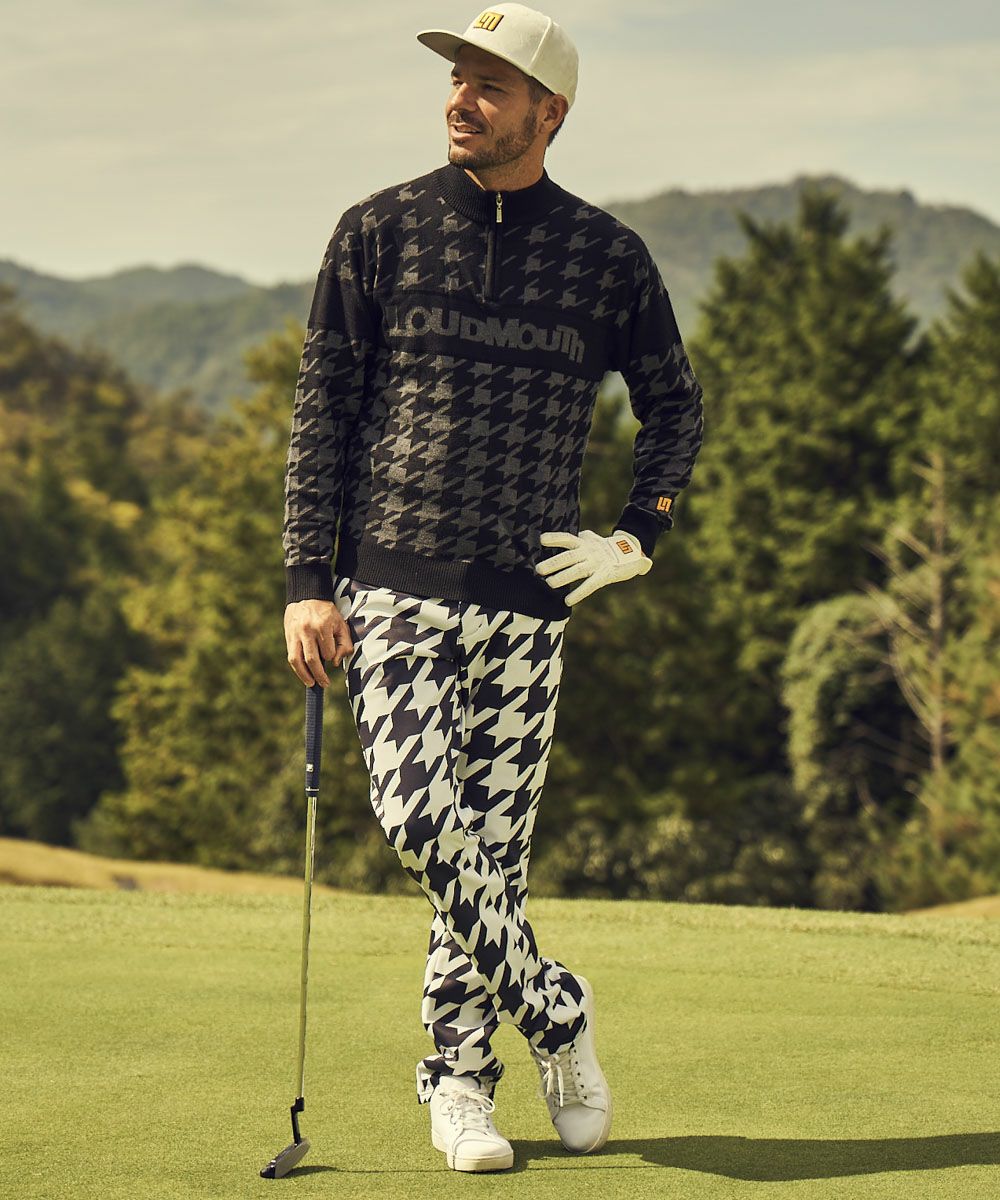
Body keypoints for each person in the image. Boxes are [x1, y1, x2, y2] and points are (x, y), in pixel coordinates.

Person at [281, 1, 704, 1174]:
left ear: (547, 113)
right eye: (457, 78)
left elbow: (675, 408)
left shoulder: (608, 258)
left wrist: (636, 537)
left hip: (528, 608)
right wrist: (306, 580)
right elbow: (321, 415)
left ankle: (461, 1084)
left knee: (490, 862)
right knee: (422, 821)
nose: (460, 99)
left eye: (489, 84)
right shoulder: (378, 231)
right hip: (389, 592)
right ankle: (555, 1011)